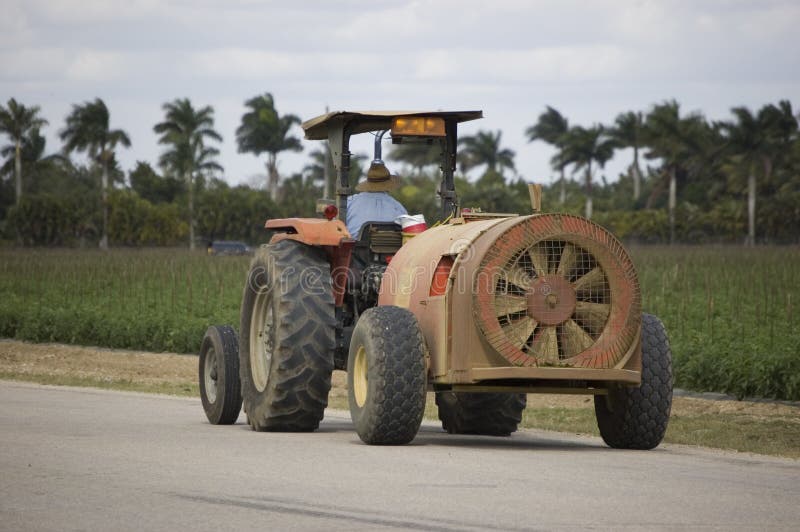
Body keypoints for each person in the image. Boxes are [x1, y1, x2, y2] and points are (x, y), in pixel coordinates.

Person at [346, 161, 407, 238]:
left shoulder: (349, 202)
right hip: (392, 249)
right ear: (388, 185)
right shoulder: (399, 208)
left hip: (355, 249)